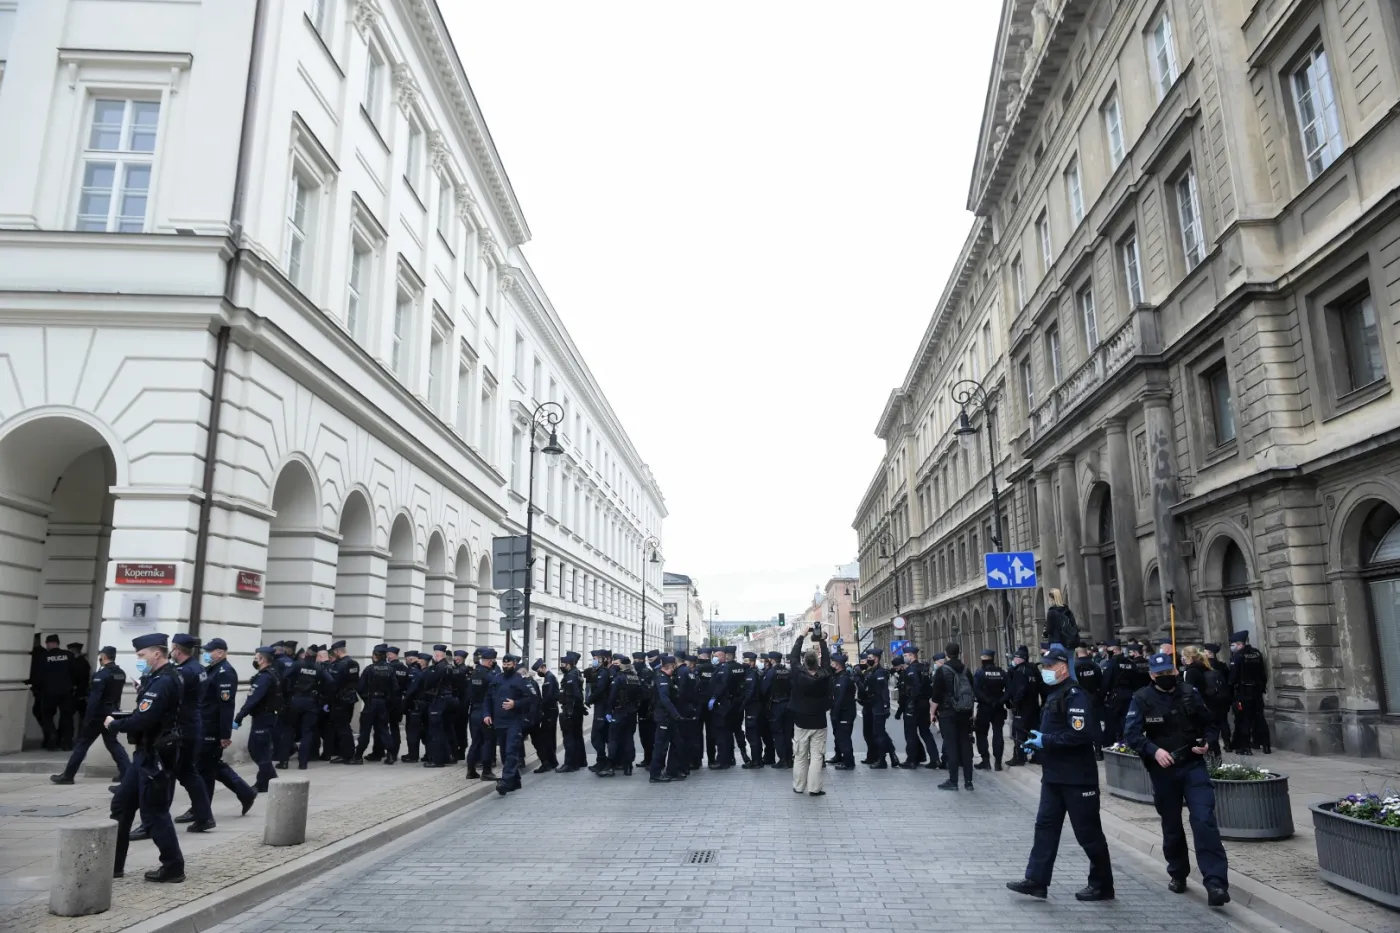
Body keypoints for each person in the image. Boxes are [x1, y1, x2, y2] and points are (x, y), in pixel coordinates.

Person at [1007, 646, 1114, 902]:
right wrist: (1037, 741)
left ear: (1063, 667)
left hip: (1078, 778)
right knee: (1045, 827)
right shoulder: (1056, 693)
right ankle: (1036, 880)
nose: (1045, 671)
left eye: (1049, 667)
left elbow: (1081, 735)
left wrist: (1047, 741)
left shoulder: (1075, 695)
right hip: (1054, 776)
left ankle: (1102, 884)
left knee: (1087, 833)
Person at [1124, 652, 1231, 906]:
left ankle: (1215, 883)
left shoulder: (1189, 692)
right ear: (1151, 675)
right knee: (1172, 825)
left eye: (1169, 674)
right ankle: (1178, 872)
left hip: (1193, 766)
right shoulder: (1141, 698)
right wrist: (1154, 751)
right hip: (1163, 771)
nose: (1166, 678)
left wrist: (1207, 742)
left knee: (1204, 821)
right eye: (1160, 675)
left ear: (1175, 672)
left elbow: (1211, 723)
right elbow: (1132, 734)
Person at [107, 632, 186, 883]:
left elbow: (145, 718)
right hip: (143, 755)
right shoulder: (156, 678)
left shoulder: (163, 680)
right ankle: (114, 864)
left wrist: (114, 724)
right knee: (121, 805)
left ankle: (173, 867)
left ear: (157, 654)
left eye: (141, 655)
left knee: (153, 814)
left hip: (154, 756)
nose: (139, 660)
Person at [192, 637, 258, 815]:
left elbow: (226, 706)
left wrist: (224, 734)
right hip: (204, 724)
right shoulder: (212, 669)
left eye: (209, 651)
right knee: (211, 765)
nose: (206, 654)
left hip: (212, 727)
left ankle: (201, 809)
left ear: (220, 652)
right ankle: (245, 793)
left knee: (205, 767)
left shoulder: (225, 672)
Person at [51, 645, 131, 785]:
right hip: (112, 712)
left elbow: (94, 699)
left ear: (104, 657)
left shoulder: (102, 675)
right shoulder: (120, 673)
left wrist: (87, 718)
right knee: (113, 744)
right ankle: (127, 773)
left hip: (98, 715)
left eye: (100, 656)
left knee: (82, 744)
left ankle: (68, 775)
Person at [168, 633, 215, 833]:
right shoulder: (198, 668)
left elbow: (173, 697)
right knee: (189, 773)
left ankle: (155, 818)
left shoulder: (184, 671)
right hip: (193, 723)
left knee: (176, 773)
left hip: (183, 726)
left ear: (177, 649)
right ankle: (204, 815)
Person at [788, 627, 833, 796]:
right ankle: (814, 788)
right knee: (816, 756)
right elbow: (827, 661)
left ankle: (799, 786)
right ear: (818, 663)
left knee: (800, 755)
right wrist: (821, 640)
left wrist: (801, 635)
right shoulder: (825, 674)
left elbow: (793, 657)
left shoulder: (799, 674)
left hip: (801, 721)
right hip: (819, 721)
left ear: (804, 663)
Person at [486, 653, 538, 795]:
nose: (506, 667)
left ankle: (506, 781)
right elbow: (489, 698)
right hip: (499, 722)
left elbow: (531, 699)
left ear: (514, 665)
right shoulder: (497, 679)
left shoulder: (520, 681)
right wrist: (487, 714)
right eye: (504, 664)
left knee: (511, 751)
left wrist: (516, 703)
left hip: (514, 722)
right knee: (504, 753)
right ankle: (515, 781)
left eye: (509, 665)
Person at [233, 646, 282, 792]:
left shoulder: (264, 677)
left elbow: (253, 700)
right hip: (267, 716)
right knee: (260, 750)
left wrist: (239, 717)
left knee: (258, 751)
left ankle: (270, 782)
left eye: (256, 658)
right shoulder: (271, 674)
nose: (254, 660)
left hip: (263, 718)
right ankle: (265, 782)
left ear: (262, 659)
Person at [930, 643, 976, 791]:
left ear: (946, 654)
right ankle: (968, 782)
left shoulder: (942, 670)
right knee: (965, 745)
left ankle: (953, 780)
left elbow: (936, 696)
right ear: (959, 653)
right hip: (965, 712)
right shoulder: (966, 670)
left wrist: (932, 713)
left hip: (948, 712)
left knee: (951, 746)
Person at [279, 646, 323, 770]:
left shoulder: (297, 664)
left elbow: (284, 676)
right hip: (311, 702)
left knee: (288, 731)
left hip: (295, 700)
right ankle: (303, 763)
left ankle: (284, 762)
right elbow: (330, 681)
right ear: (315, 657)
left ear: (306, 655)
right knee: (307, 732)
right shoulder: (318, 668)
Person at [355, 645, 398, 764]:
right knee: (384, 730)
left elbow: (360, 687)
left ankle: (358, 756)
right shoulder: (390, 669)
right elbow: (395, 688)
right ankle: (390, 755)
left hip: (371, 702)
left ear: (375, 656)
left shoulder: (369, 669)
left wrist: (366, 699)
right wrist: (387, 700)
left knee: (365, 731)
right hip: (383, 703)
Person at [600, 655, 643, 777]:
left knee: (613, 739)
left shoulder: (619, 678)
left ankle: (610, 766)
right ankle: (628, 766)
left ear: (623, 666)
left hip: (619, 712)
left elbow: (612, 696)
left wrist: (608, 711)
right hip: (632, 713)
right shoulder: (635, 677)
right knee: (628, 739)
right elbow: (640, 695)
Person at [1228, 631, 1270, 754]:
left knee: (1244, 719)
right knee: (1259, 718)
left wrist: (1232, 694)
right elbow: (1263, 674)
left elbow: (1232, 678)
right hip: (1257, 691)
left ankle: (1245, 747)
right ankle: (1266, 745)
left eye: (1233, 644)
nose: (1232, 647)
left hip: (1243, 692)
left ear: (1240, 644)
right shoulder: (1257, 653)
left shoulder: (1238, 656)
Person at [35, 635, 77, 751]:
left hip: (49, 691)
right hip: (66, 691)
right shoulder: (68, 655)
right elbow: (75, 672)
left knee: (47, 716)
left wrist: (38, 688)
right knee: (67, 717)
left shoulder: (43, 656)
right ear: (58, 643)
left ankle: (52, 736)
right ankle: (67, 742)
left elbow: (39, 676)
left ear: (48, 643)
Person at [902, 646, 940, 769]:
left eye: (905, 656)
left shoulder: (912, 669)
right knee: (925, 732)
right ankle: (935, 759)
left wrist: (911, 703)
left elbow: (915, 688)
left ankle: (912, 760)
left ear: (911, 656)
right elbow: (928, 688)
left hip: (915, 704)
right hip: (924, 704)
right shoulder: (923, 668)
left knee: (911, 733)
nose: (905, 658)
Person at [323, 640, 361, 763]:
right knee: (345, 726)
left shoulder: (339, 665)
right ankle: (348, 753)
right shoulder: (354, 663)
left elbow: (334, 684)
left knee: (342, 727)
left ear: (337, 651)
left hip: (340, 700)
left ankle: (347, 755)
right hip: (350, 698)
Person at [1190, 644, 1232, 755]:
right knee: (1223, 721)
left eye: (1205, 651)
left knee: (1213, 724)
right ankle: (1227, 744)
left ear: (1209, 653)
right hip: (1222, 698)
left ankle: (1213, 744)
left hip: (1210, 699)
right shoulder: (1222, 665)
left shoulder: (1204, 666)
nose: (1204, 653)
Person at [648, 655, 684, 783]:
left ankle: (672, 771)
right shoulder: (661, 678)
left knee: (677, 743)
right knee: (661, 746)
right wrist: (675, 714)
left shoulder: (667, 678)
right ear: (671, 666)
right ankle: (655, 774)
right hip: (664, 717)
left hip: (670, 718)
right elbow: (664, 699)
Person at [465, 647, 498, 778]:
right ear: (490, 661)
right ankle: (486, 771)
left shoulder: (474, 674)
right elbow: (494, 695)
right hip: (486, 712)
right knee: (487, 742)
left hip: (474, 711)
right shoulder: (490, 676)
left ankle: (470, 770)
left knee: (475, 742)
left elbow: (469, 693)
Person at [973, 648, 1007, 771]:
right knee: (998, 734)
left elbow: (976, 690)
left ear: (982, 659)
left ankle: (985, 760)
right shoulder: (1002, 672)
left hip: (984, 707)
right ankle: (998, 762)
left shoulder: (980, 673)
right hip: (998, 707)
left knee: (981, 733)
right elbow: (1009, 690)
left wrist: (987, 701)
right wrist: (1001, 701)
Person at [1005, 646, 1040, 767]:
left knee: (1019, 733)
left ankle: (1019, 757)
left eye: (1015, 658)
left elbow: (1020, 691)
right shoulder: (1034, 669)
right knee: (1034, 731)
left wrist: (1015, 704)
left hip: (1023, 707)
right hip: (1034, 706)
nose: (1014, 660)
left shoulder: (1020, 671)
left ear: (1020, 659)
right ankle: (1037, 756)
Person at [864, 648, 898, 768]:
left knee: (879, 734)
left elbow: (883, 691)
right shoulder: (873, 671)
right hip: (874, 705)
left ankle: (882, 759)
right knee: (879, 732)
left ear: (876, 659)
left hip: (879, 706)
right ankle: (892, 754)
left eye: (870, 658)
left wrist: (886, 706)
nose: (868, 660)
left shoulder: (879, 673)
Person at [1073, 645, 1105, 761]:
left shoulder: (1074, 666)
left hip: (1079, 699)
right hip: (1094, 697)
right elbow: (1101, 682)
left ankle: (1083, 751)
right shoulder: (1095, 665)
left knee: (1079, 724)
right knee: (1096, 724)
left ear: (1076, 654)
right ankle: (1098, 751)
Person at [585, 649, 614, 772]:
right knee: (601, 736)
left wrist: (589, 699)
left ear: (603, 660)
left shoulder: (603, 672)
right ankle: (602, 761)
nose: (594, 660)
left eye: (596, 658)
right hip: (600, 707)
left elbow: (600, 689)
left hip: (602, 708)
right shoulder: (599, 671)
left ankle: (604, 761)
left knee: (596, 737)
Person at [557, 651, 585, 772]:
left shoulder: (571, 676)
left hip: (570, 709)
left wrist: (570, 709)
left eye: (563, 664)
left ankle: (570, 764)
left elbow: (574, 694)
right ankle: (580, 761)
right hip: (575, 709)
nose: (561, 666)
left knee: (569, 737)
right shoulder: (575, 673)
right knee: (577, 736)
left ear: (569, 664)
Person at [828, 651, 857, 769]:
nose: (831, 664)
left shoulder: (844, 678)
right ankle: (838, 755)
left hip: (844, 712)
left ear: (837, 664)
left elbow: (840, 698)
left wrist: (835, 713)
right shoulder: (838, 676)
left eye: (832, 662)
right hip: (839, 712)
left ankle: (848, 762)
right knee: (837, 735)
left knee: (844, 737)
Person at [530, 658, 560, 772]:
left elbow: (548, 697)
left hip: (550, 711)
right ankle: (553, 761)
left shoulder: (549, 678)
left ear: (543, 667)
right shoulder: (549, 677)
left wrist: (541, 707)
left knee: (546, 737)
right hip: (550, 710)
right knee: (550, 737)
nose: (538, 672)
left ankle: (549, 762)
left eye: (538, 670)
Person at [765, 650, 793, 769]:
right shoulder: (788, 671)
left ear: (772, 660)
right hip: (789, 704)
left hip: (776, 705)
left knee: (778, 733)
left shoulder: (771, 672)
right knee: (788, 733)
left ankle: (782, 759)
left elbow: (763, 689)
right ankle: (789, 758)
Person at [739, 652, 766, 768]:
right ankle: (758, 759)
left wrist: (742, 705)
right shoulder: (758, 672)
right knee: (756, 734)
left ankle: (755, 761)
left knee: (752, 734)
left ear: (751, 662)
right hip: (758, 706)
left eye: (745, 661)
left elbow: (749, 692)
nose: (743, 663)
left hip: (752, 707)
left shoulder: (752, 674)